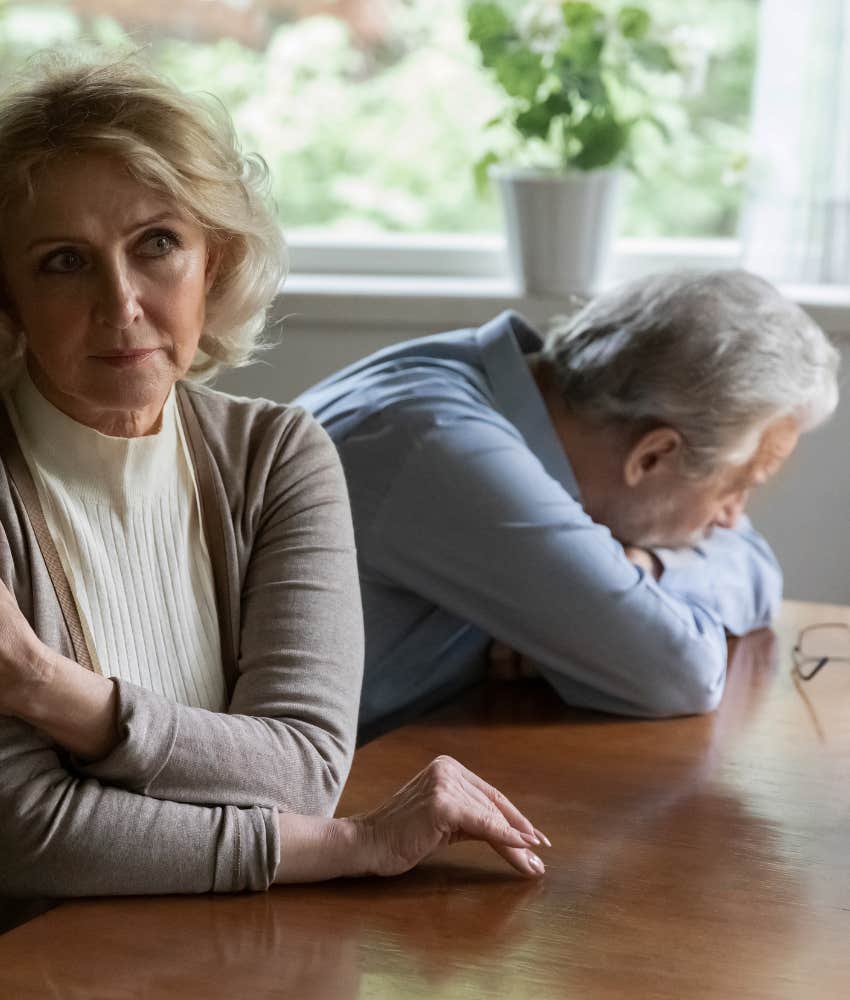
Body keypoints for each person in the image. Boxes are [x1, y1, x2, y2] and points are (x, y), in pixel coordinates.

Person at [0, 57, 548, 899]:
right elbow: (29, 836)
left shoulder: (278, 456)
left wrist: (47, 688)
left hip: (247, 945)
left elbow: (300, 773)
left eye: (157, 244)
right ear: (9, 298)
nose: (122, 305)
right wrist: (345, 846)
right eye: (64, 262)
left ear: (213, 262)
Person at [295, 272, 840, 738]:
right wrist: (619, 618)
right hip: (290, 809)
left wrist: (649, 569)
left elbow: (757, 567)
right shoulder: (439, 442)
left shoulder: (515, 394)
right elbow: (680, 674)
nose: (732, 516)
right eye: (736, 487)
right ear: (653, 456)